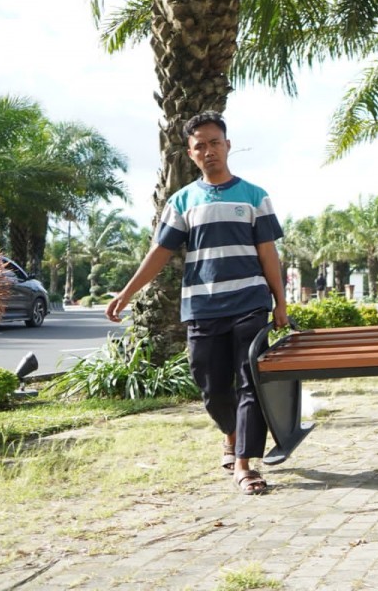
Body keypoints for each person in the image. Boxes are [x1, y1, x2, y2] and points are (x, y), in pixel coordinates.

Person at [105, 111, 287, 496]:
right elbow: (160, 251)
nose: (209, 151)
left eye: (215, 143)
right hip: (203, 308)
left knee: (250, 381)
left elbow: (269, 255)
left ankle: (244, 464)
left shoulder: (255, 196)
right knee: (211, 386)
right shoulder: (183, 200)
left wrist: (280, 303)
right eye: (200, 146)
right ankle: (232, 434)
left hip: (250, 303)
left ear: (228, 145)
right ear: (190, 154)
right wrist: (128, 291)